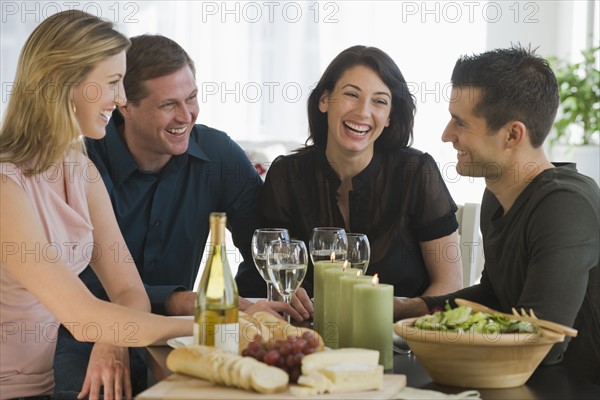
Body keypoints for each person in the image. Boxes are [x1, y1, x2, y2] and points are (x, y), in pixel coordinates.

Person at [52, 34, 310, 396]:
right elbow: (69, 281)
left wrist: (248, 304)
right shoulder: (82, 161)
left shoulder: (217, 154)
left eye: (191, 98)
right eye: (168, 104)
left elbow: (264, 245)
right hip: (89, 333)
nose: (186, 116)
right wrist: (174, 301)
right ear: (125, 105)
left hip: (189, 330)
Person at [0, 10, 193, 399]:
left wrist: (115, 340)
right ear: (61, 80)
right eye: (112, 82)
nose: (121, 99)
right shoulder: (6, 186)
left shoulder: (78, 167)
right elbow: (86, 318)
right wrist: (214, 325)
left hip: (46, 386)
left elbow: (129, 291)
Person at [394, 46, 599, 385]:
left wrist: (432, 333)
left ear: (512, 135)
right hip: (517, 381)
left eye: (460, 122)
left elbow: (539, 342)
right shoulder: (497, 194)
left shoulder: (565, 204)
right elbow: (494, 295)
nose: (447, 135)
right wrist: (411, 307)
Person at [255, 45, 463, 298]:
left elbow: (449, 285)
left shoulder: (416, 172)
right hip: (307, 333)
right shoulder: (287, 175)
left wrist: (402, 325)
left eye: (379, 101)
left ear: (389, 117)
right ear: (324, 100)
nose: (363, 112)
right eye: (351, 94)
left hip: (401, 332)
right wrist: (284, 293)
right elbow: (270, 278)